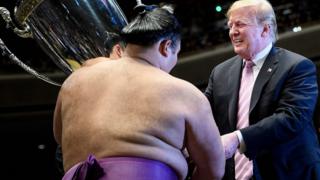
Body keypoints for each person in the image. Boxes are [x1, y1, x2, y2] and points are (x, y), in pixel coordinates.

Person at [53, 4, 225, 180]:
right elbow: (213, 170)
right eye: (176, 54)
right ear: (165, 47)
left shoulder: (74, 80)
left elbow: (60, 137)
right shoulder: (183, 92)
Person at [204, 0, 320, 179]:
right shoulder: (220, 73)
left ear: (265, 29)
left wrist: (238, 138)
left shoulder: (297, 66)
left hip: (286, 174)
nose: (233, 32)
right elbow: (202, 114)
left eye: (240, 24)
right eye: (230, 25)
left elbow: (292, 118)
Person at [54, 33, 125, 177]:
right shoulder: (126, 76)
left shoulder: (72, 80)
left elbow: (58, 135)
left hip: (74, 168)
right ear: (118, 50)